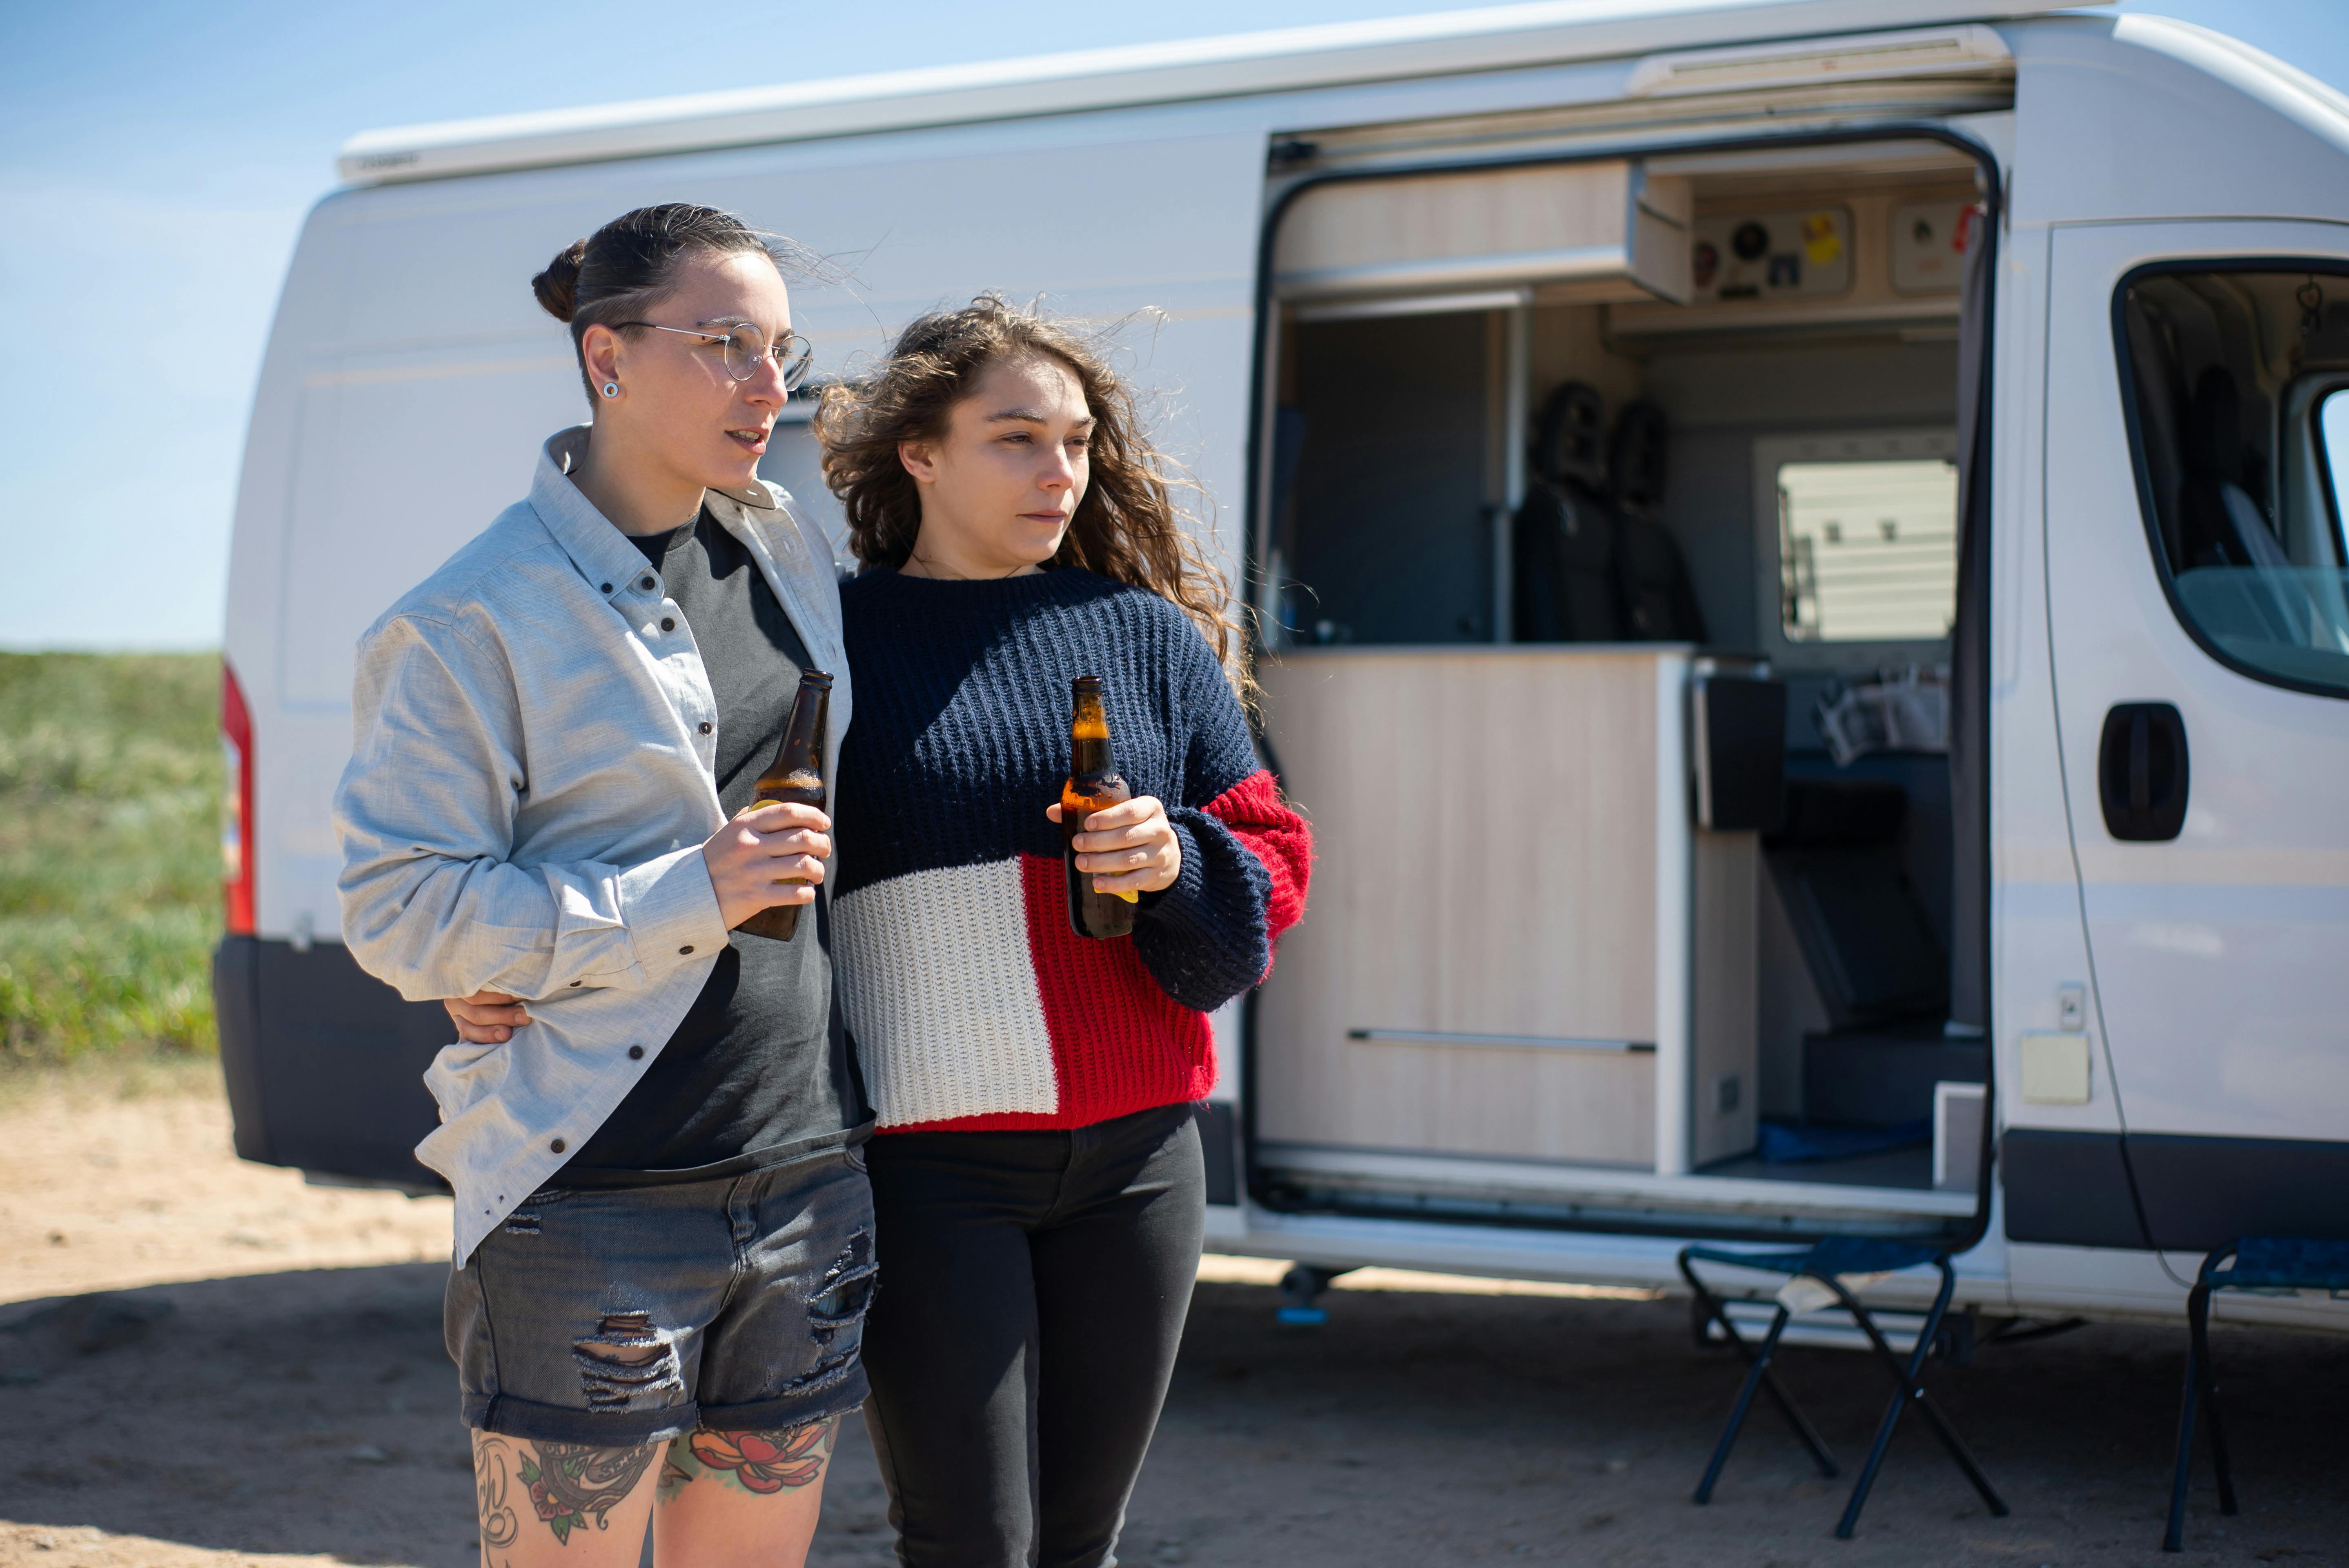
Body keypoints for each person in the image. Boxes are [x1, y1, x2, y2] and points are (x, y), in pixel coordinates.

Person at [336, 202, 873, 1568]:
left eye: (779, 349)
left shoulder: (788, 547)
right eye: (724, 345)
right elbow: (401, 907)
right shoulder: (468, 617)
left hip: (806, 1165)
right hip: (592, 1192)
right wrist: (680, 891)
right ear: (606, 357)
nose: (771, 385)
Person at [815, 296, 1312, 1568]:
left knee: (1080, 1541)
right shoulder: (830, 644)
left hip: (1142, 1157)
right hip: (929, 1161)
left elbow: (1270, 848)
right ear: (915, 450)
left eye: (1078, 441)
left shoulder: (1142, 634)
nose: (1059, 471)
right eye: (1015, 438)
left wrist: (1177, 857)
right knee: (971, 1537)